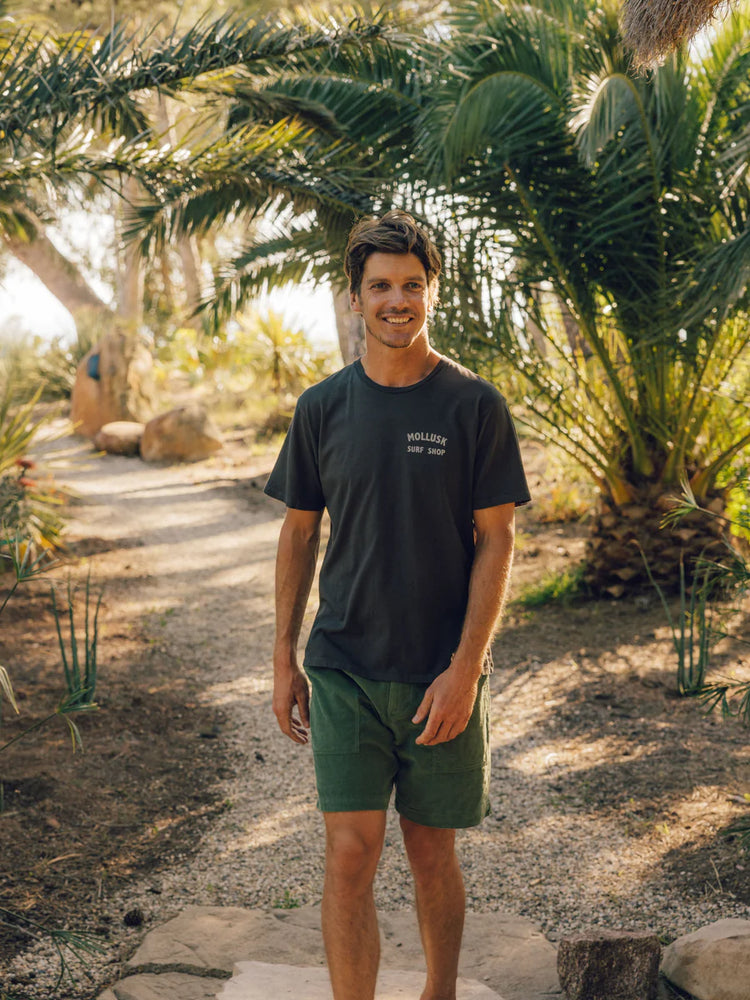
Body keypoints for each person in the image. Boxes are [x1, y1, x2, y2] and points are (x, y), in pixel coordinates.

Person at [264, 210, 530, 1000]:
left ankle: (438, 993)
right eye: (380, 286)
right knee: (349, 852)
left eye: (412, 284)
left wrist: (467, 668)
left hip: (438, 672)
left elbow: (497, 541)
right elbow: (298, 533)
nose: (396, 300)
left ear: (432, 292)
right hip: (343, 663)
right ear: (355, 299)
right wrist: (282, 657)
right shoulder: (321, 409)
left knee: (430, 852)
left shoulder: (473, 406)